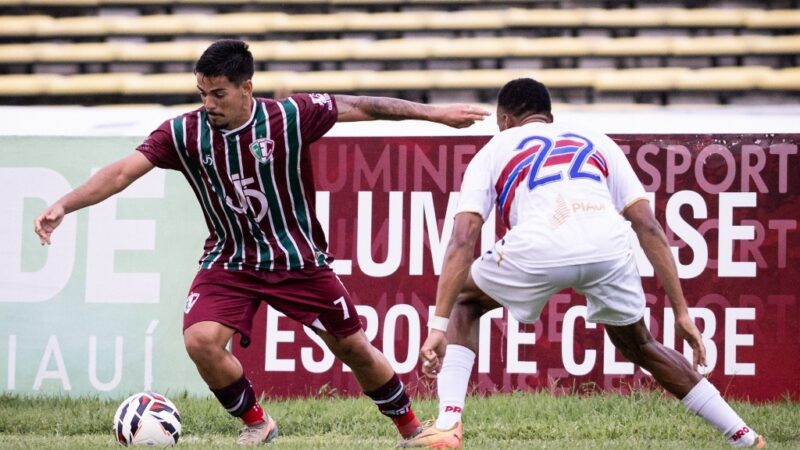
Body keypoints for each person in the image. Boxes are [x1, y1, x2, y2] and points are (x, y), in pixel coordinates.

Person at [33, 39, 490, 446]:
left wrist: (434, 114)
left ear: (246, 88)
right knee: (201, 341)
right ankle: (256, 422)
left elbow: (361, 105)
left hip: (299, 260)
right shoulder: (184, 133)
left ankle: (412, 429)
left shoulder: (289, 117)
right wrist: (65, 205)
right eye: (202, 93)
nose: (208, 103)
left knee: (353, 348)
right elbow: (121, 172)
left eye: (218, 93)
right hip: (229, 261)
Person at [400, 78, 765, 449]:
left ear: (506, 120)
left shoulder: (495, 148)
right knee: (641, 344)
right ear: (550, 117)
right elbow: (648, 225)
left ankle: (447, 425)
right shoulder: (596, 139)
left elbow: (464, 238)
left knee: (466, 300)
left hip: (540, 244)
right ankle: (743, 435)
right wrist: (682, 311)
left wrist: (438, 326)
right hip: (607, 244)